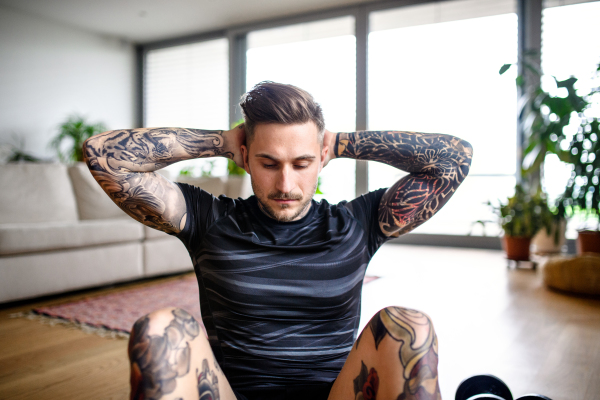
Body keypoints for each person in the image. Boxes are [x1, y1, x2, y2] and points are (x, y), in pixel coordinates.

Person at [83, 81, 473, 400]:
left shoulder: (358, 223)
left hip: (338, 395)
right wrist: (219, 140)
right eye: (268, 163)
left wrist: (338, 142)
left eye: (302, 163)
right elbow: (103, 155)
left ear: (321, 158)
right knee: (159, 327)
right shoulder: (210, 221)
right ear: (246, 156)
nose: (285, 184)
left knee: (411, 326)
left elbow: (454, 160)